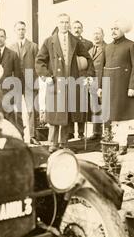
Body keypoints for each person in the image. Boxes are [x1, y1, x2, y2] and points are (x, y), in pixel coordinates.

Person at [36, 13, 95, 153]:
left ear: (69, 24)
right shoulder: (49, 41)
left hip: (71, 82)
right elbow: (39, 61)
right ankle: (53, 143)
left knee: (67, 114)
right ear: (57, 24)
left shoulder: (75, 41)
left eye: (67, 22)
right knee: (55, 113)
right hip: (55, 82)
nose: (64, 25)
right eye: (62, 22)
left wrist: (87, 76)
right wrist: (47, 76)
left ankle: (64, 142)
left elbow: (88, 58)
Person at [98, 18, 134, 155]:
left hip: (123, 87)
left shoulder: (132, 45)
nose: (113, 31)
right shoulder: (107, 47)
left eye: (116, 29)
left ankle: (123, 144)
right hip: (109, 87)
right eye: (111, 29)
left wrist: (132, 86)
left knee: (122, 117)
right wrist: (100, 86)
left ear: (123, 30)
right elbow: (101, 68)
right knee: (111, 117)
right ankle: (112, 144)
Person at [9, 21, 41, 145]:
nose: (21, 31)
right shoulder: (10, 47)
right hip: (16, 81)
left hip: (30, 81)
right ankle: (19, 135)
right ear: (15, 31)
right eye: (18, 29)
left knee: (31, 109)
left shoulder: (33, 46)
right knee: (17, 109)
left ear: (25, 30)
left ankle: (32, 136)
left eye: (23, 29)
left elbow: (38, 65)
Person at [69, 20, 94, 139]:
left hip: (82, 76)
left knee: (82, 105)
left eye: (79, 27)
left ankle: (81, 132)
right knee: (69, 104)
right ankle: (69, 131)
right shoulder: (67, 42)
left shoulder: (88, 44)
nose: (77, 29)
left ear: (82, 29)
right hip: (69, 77)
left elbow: (90, 61)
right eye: (74, 27)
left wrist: (89, 75)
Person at [88, 27, 106, 140]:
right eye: (94, 34)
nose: (96, 36)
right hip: (93, 83)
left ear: (103, 35)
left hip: (104, 82)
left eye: (98, 34)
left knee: (105, 107)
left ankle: (108, 133)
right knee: (95, 108)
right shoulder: (90, 51)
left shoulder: (107, 48)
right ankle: (97, 132)